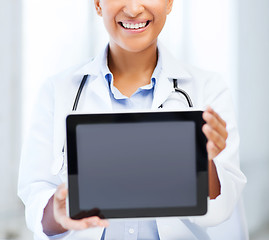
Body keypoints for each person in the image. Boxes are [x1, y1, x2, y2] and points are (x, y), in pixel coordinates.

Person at [18, 0, 247, 239]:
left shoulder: (209, 89)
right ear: (97, 4)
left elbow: (221, 209)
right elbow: (36, 196)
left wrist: (204, 161)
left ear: (169, 2)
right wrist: (57, 213)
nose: (134, 9)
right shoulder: (57, 90)